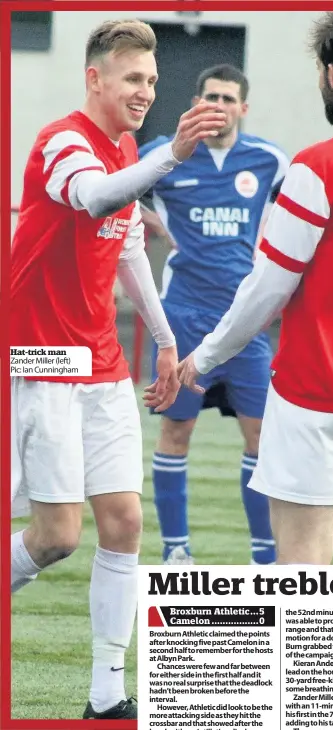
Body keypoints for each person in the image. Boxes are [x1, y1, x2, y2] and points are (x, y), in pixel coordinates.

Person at [10, 19, 226, 720]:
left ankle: (107, 695)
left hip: (101, 362)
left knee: (125, 523)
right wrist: (173, 155)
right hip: (44, 358)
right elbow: (96, 198)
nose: (146, 91)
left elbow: (127, 240)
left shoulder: (127, 149)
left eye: (154, 81)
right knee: (57, 539)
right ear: (95, 78)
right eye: (134, 78)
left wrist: (164, 342)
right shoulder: (63, 141)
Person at [171, 11, 333, 567]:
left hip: (315, 390)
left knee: (303, 563)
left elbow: (268, 288)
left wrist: (204, 356)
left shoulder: (318, 165)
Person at [138, 64, 290, 566]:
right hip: (183, 318)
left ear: (243, 107)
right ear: (196, 103)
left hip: (245, 322)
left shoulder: (269, 161)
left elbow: (294, 218)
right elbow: (115, 191)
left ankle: (265, 557)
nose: (218, 106)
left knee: (260, 435)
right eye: (210, 97)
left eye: (228, 98)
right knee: (176, 432)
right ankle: (176, 551)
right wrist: (153, 219)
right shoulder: (168, 155)